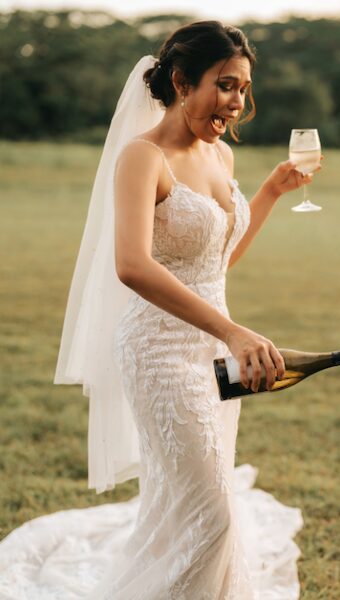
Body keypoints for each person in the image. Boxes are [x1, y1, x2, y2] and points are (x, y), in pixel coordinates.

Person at [0, 21, 312, 599]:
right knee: (213, 516)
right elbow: (132, 266)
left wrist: (269, 192)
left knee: (186, 506)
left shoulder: (221, 155)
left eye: (243, 88)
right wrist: (234, 332)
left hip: (214, 352)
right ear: (181, 82)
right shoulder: (142, 158)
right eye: (225, 85)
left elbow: (214, 265)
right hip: (160, 352)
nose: (236, 103)